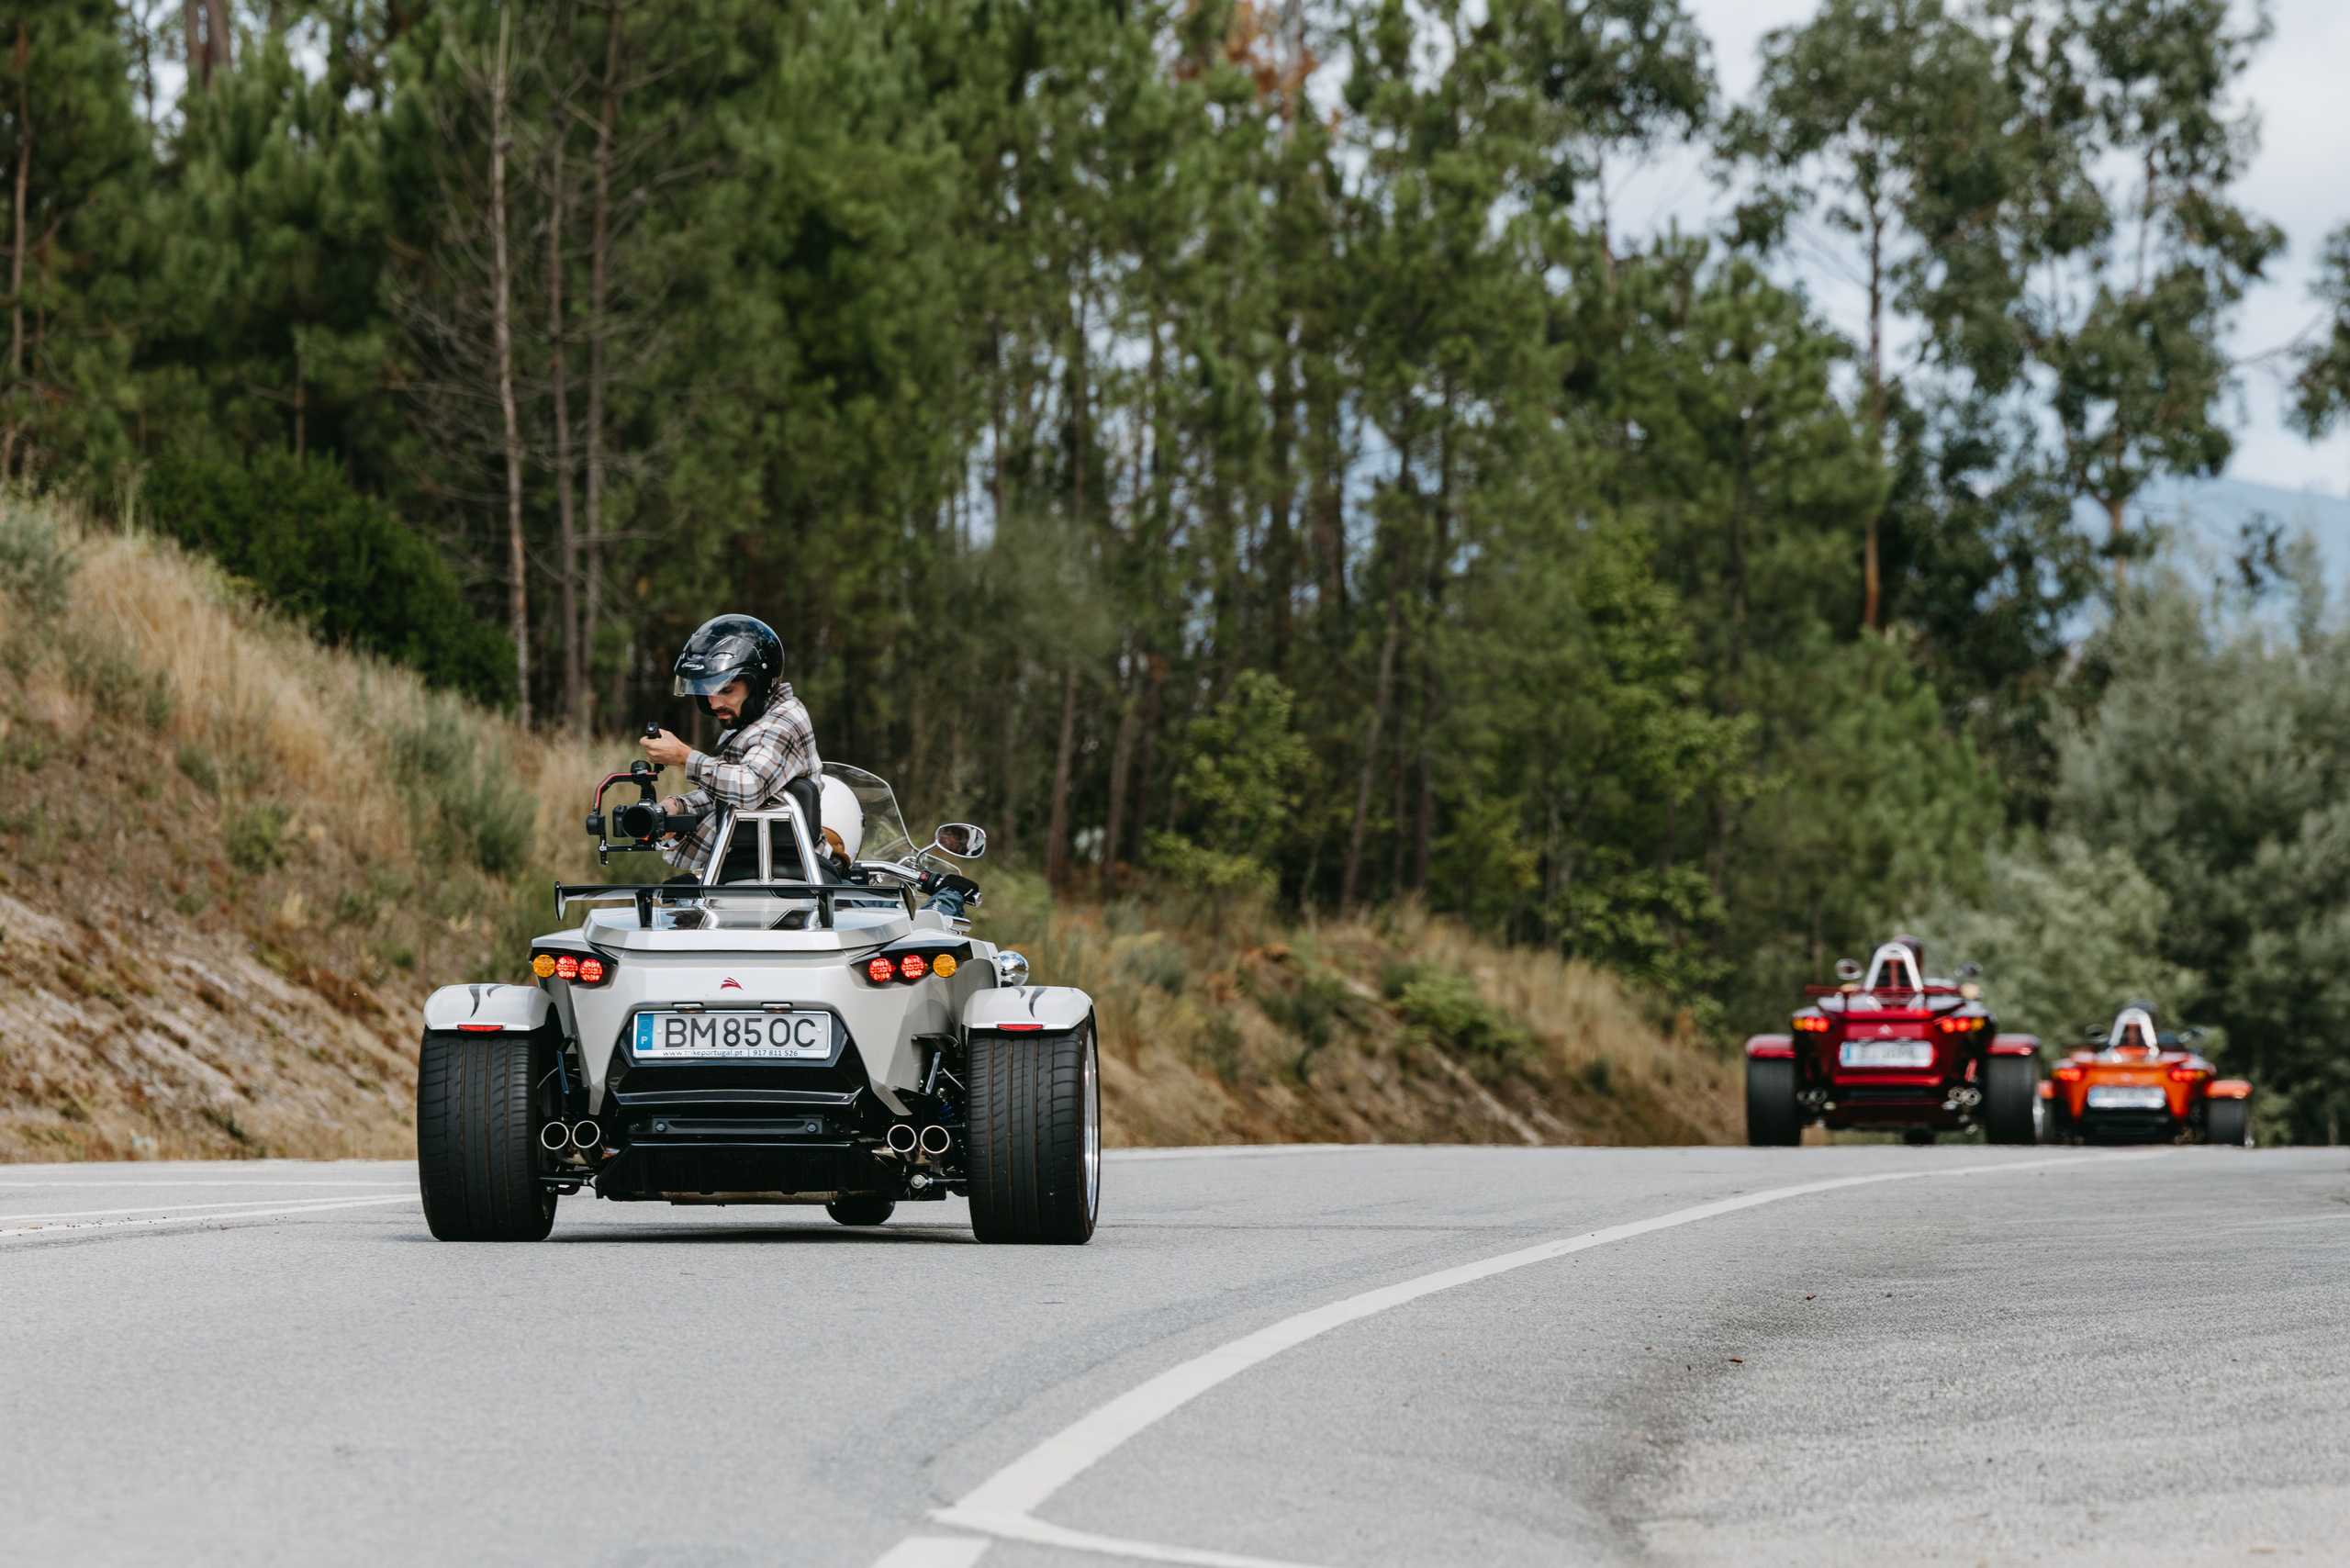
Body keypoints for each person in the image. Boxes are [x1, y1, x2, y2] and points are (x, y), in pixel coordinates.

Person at [640, 615, 819, 879]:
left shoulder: (784, 721)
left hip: (791, 868)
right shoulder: (745, 724)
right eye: (706, 690)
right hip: (737, 862)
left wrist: (684, 757)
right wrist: (675, 809)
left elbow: (750, 787)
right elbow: (721, 795)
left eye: (726, 690)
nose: (713, 704)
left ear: (758, 683)